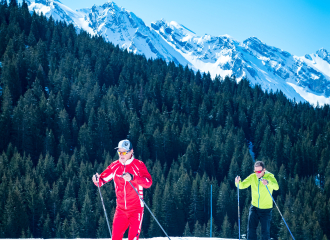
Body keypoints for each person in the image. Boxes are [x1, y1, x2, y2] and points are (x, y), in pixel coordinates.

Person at [92, 139, 152, 240]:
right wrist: (96, 179)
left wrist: (133, 178)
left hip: (136, 209)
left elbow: (148, 182)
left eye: (124, 152)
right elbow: (101, 180)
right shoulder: (115, 166)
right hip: (120, 210)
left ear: (131, 151)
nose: (121, 154)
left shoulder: (138, 165)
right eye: (119, 152)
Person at [235, 161, 279, 240]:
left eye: (259, 171)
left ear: (264, 170)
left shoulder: (270, 177)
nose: (257, 173)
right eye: (255, 171)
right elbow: (242, 185)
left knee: (265, 232)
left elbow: (276, 187)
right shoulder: (252, 177)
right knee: (251, 230)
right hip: (254, 208)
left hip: (266, 209)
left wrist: (268, 183)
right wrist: (237, 183)